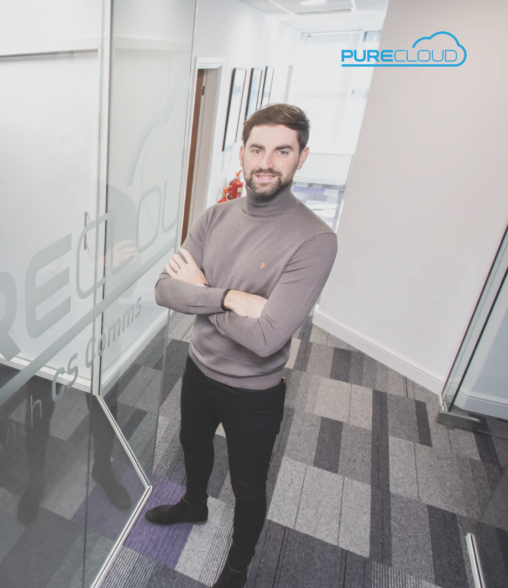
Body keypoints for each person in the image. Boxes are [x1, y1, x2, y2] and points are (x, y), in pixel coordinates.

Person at [146, 104, 337, 588]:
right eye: (258, 149)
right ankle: (194, 504)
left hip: (254, 390)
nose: (267, 161)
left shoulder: (315, 240)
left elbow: (268, 336)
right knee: (192, 445)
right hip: (198, 367)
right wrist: (231, 297)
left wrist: (201, 292)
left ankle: (237, 565)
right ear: (242, 154)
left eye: (282, 150)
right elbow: (164, 291)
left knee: (249, 486)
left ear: (302, 157)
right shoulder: (216, 217)